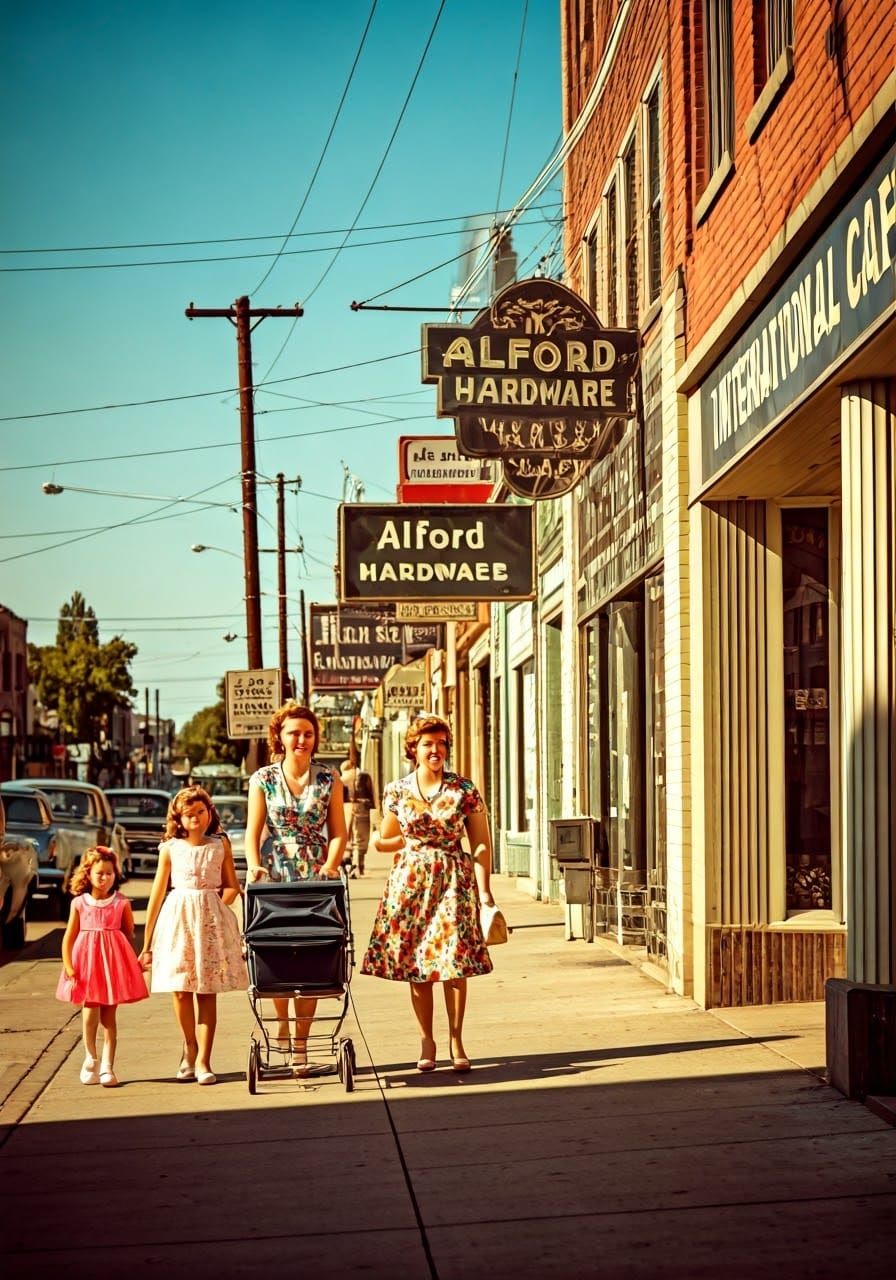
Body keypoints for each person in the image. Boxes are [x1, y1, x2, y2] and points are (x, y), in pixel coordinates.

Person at [361, 713, 494, 1073]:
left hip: (453, 880)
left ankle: (456, 1039)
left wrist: (485, 894)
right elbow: (384, 841)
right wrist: (395, 839)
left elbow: (481, 844)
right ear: (414, 750)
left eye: (440, 743)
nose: (435, 750)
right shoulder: (397, 790)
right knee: (418, 963)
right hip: (410, 884)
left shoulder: (464, 789)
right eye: (427, 744)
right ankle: (427, 1040)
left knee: (454, 962)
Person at [245, 701, 347, 1074]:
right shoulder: (263, 779)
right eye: (293, 733)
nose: (301, 739)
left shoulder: (329, 778)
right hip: (274, 872)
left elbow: (339, 832)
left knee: (312, 955)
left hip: (316, 872)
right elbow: (253, 832)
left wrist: (331, 864)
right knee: (278, 952)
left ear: (315, 737)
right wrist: (255, 864)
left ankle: (302, 1043)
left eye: (307, 733)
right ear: (281, 737)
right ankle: (282, 1026)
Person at [138, 785, 245, 1086]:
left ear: (210, 813)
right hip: (178, 919)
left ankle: (204, 1060)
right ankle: (189, 1046)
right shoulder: (171, 848)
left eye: (201, 811)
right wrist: (146, 944)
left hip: (210, 920)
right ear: (179, 819)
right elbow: (157, 894)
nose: (196, 817)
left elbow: (232, 885)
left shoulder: (220, 844)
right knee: (180, 988)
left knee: (206, 990)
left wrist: (216, 908)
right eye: (189, 814)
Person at [56, 845, 148, 1087]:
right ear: (88, 874)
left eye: (109, 873)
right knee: (89, 1012)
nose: (105, 877)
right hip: (86, 962)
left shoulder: (121, 903)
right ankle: (91, 1056)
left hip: (113, 964)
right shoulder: (79, 903)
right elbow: (69, 936)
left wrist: (133, 962)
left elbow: (128, 934)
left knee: (110, 1017)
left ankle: (108, 1066)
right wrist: (68, 965)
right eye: (99, 873)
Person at [340, 756, 376, 877]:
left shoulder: (359, 777)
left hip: (354, 810)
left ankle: (355, 866)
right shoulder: (361, 777)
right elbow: (372, 794)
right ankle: (356, 866)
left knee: (354, 840)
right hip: (358, 810)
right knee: (358, 840)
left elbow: (372, 794)